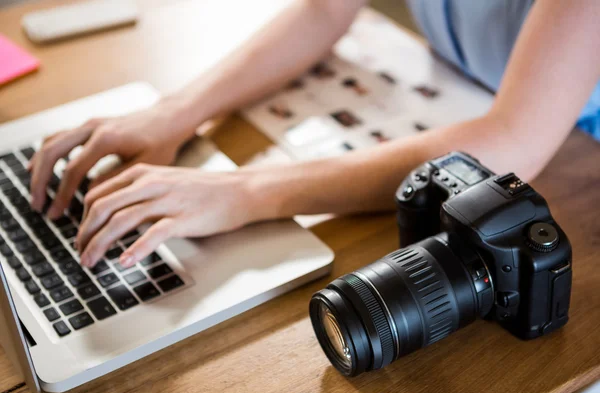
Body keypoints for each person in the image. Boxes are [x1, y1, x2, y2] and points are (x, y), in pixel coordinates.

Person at [27, 0, 600, 269]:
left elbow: (511, 138)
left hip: (579, 172)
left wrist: (244, 192)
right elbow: (326, 9)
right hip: (461, 94)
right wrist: (176, 113)